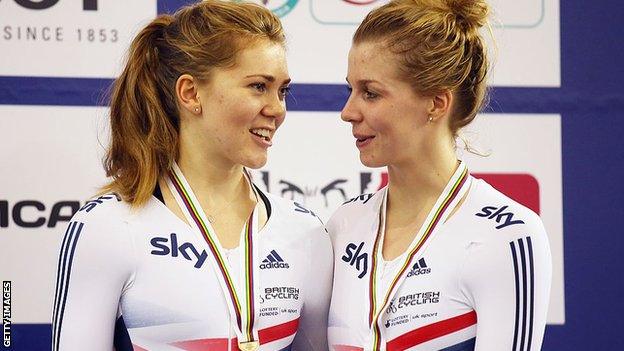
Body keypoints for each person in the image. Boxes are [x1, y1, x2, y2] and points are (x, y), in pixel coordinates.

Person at [51, 1, 333, 350]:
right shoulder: (108, 227)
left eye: (282, 90)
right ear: (190, 93)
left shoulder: (304, 232)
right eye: (259, 86)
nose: (277, 109)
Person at [327, 0, 552, 350]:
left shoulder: (507, 235)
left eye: (370, 93)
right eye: (350, 90)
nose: (348, 111)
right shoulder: (343, 225)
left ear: (436, 103)